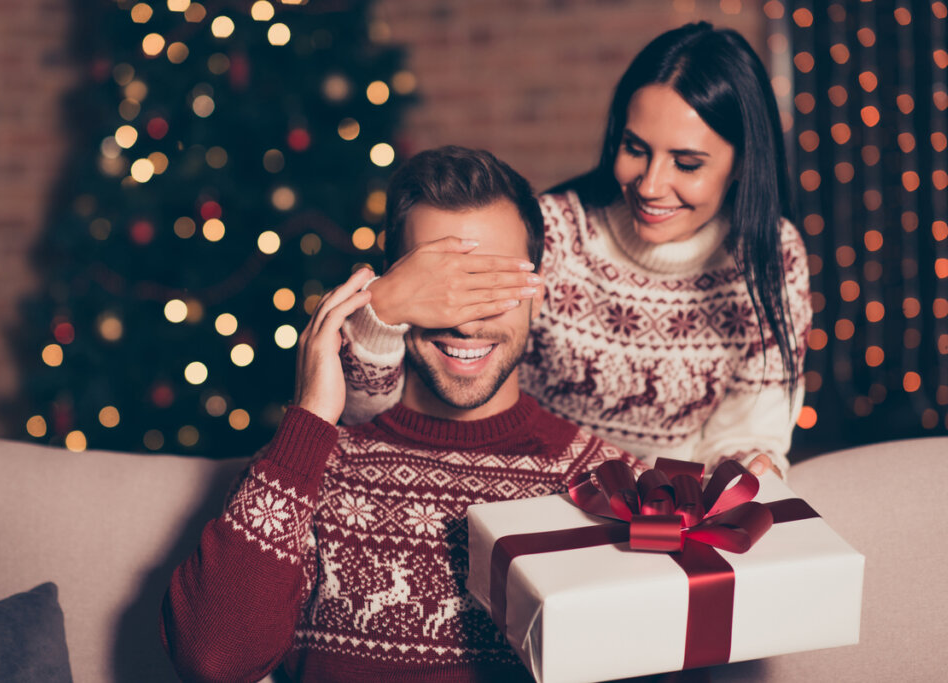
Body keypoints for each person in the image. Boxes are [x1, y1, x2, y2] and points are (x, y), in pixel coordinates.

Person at [160, 147, 640, 683]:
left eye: (493, 287)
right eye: (440, 289)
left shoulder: (603, 482)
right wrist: (312, 414)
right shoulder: (310, 466)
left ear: (538, 296)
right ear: (393, 292)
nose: (464, 322)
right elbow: (212, 660)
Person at [338, 22, 812, 478]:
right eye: (635, 148)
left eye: (686, 164)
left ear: (743, 163)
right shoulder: (556, 233)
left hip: (675, 507)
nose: (650, 185)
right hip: (539, 490)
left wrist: (742, 474)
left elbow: (749, 431)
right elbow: (385, 407)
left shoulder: (774, 256)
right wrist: (380, 316)